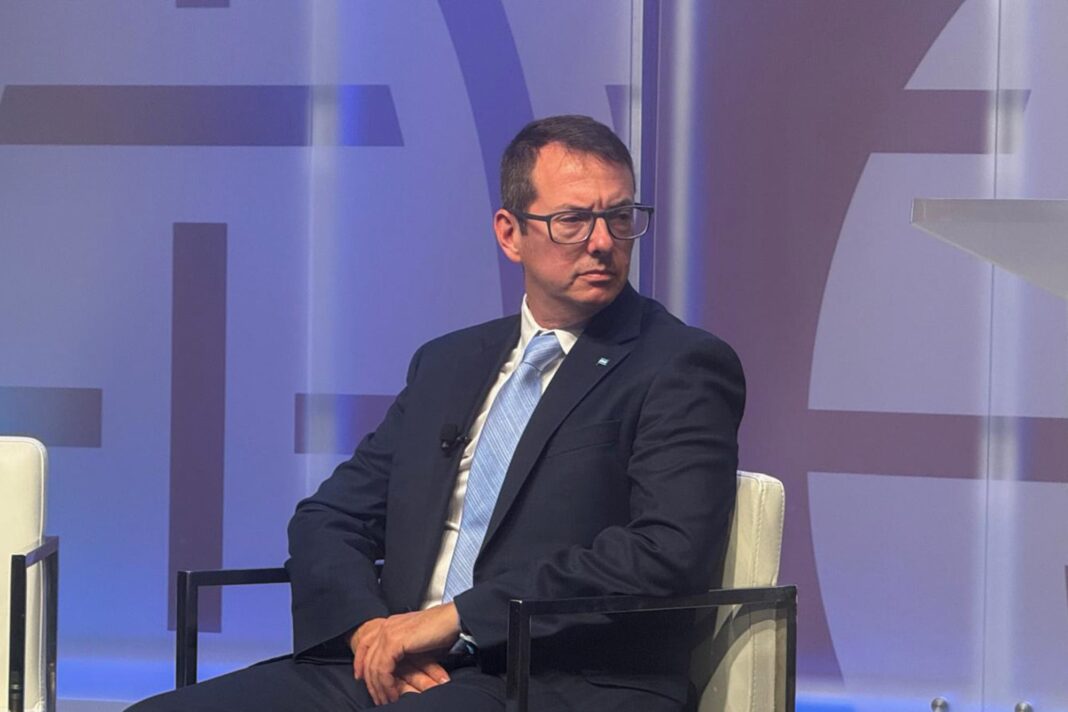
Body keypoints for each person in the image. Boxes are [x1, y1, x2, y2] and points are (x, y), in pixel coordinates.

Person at [128, 114, 745, 712]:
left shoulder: (679, 364)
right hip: (392, 669)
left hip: (551, 677)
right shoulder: (448, 364)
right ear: (510, 233)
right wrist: (370, 633)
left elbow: (667, 550)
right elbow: (330, 517)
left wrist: (457, 619)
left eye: (620, 217)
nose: (604, 242)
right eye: (573, 221)